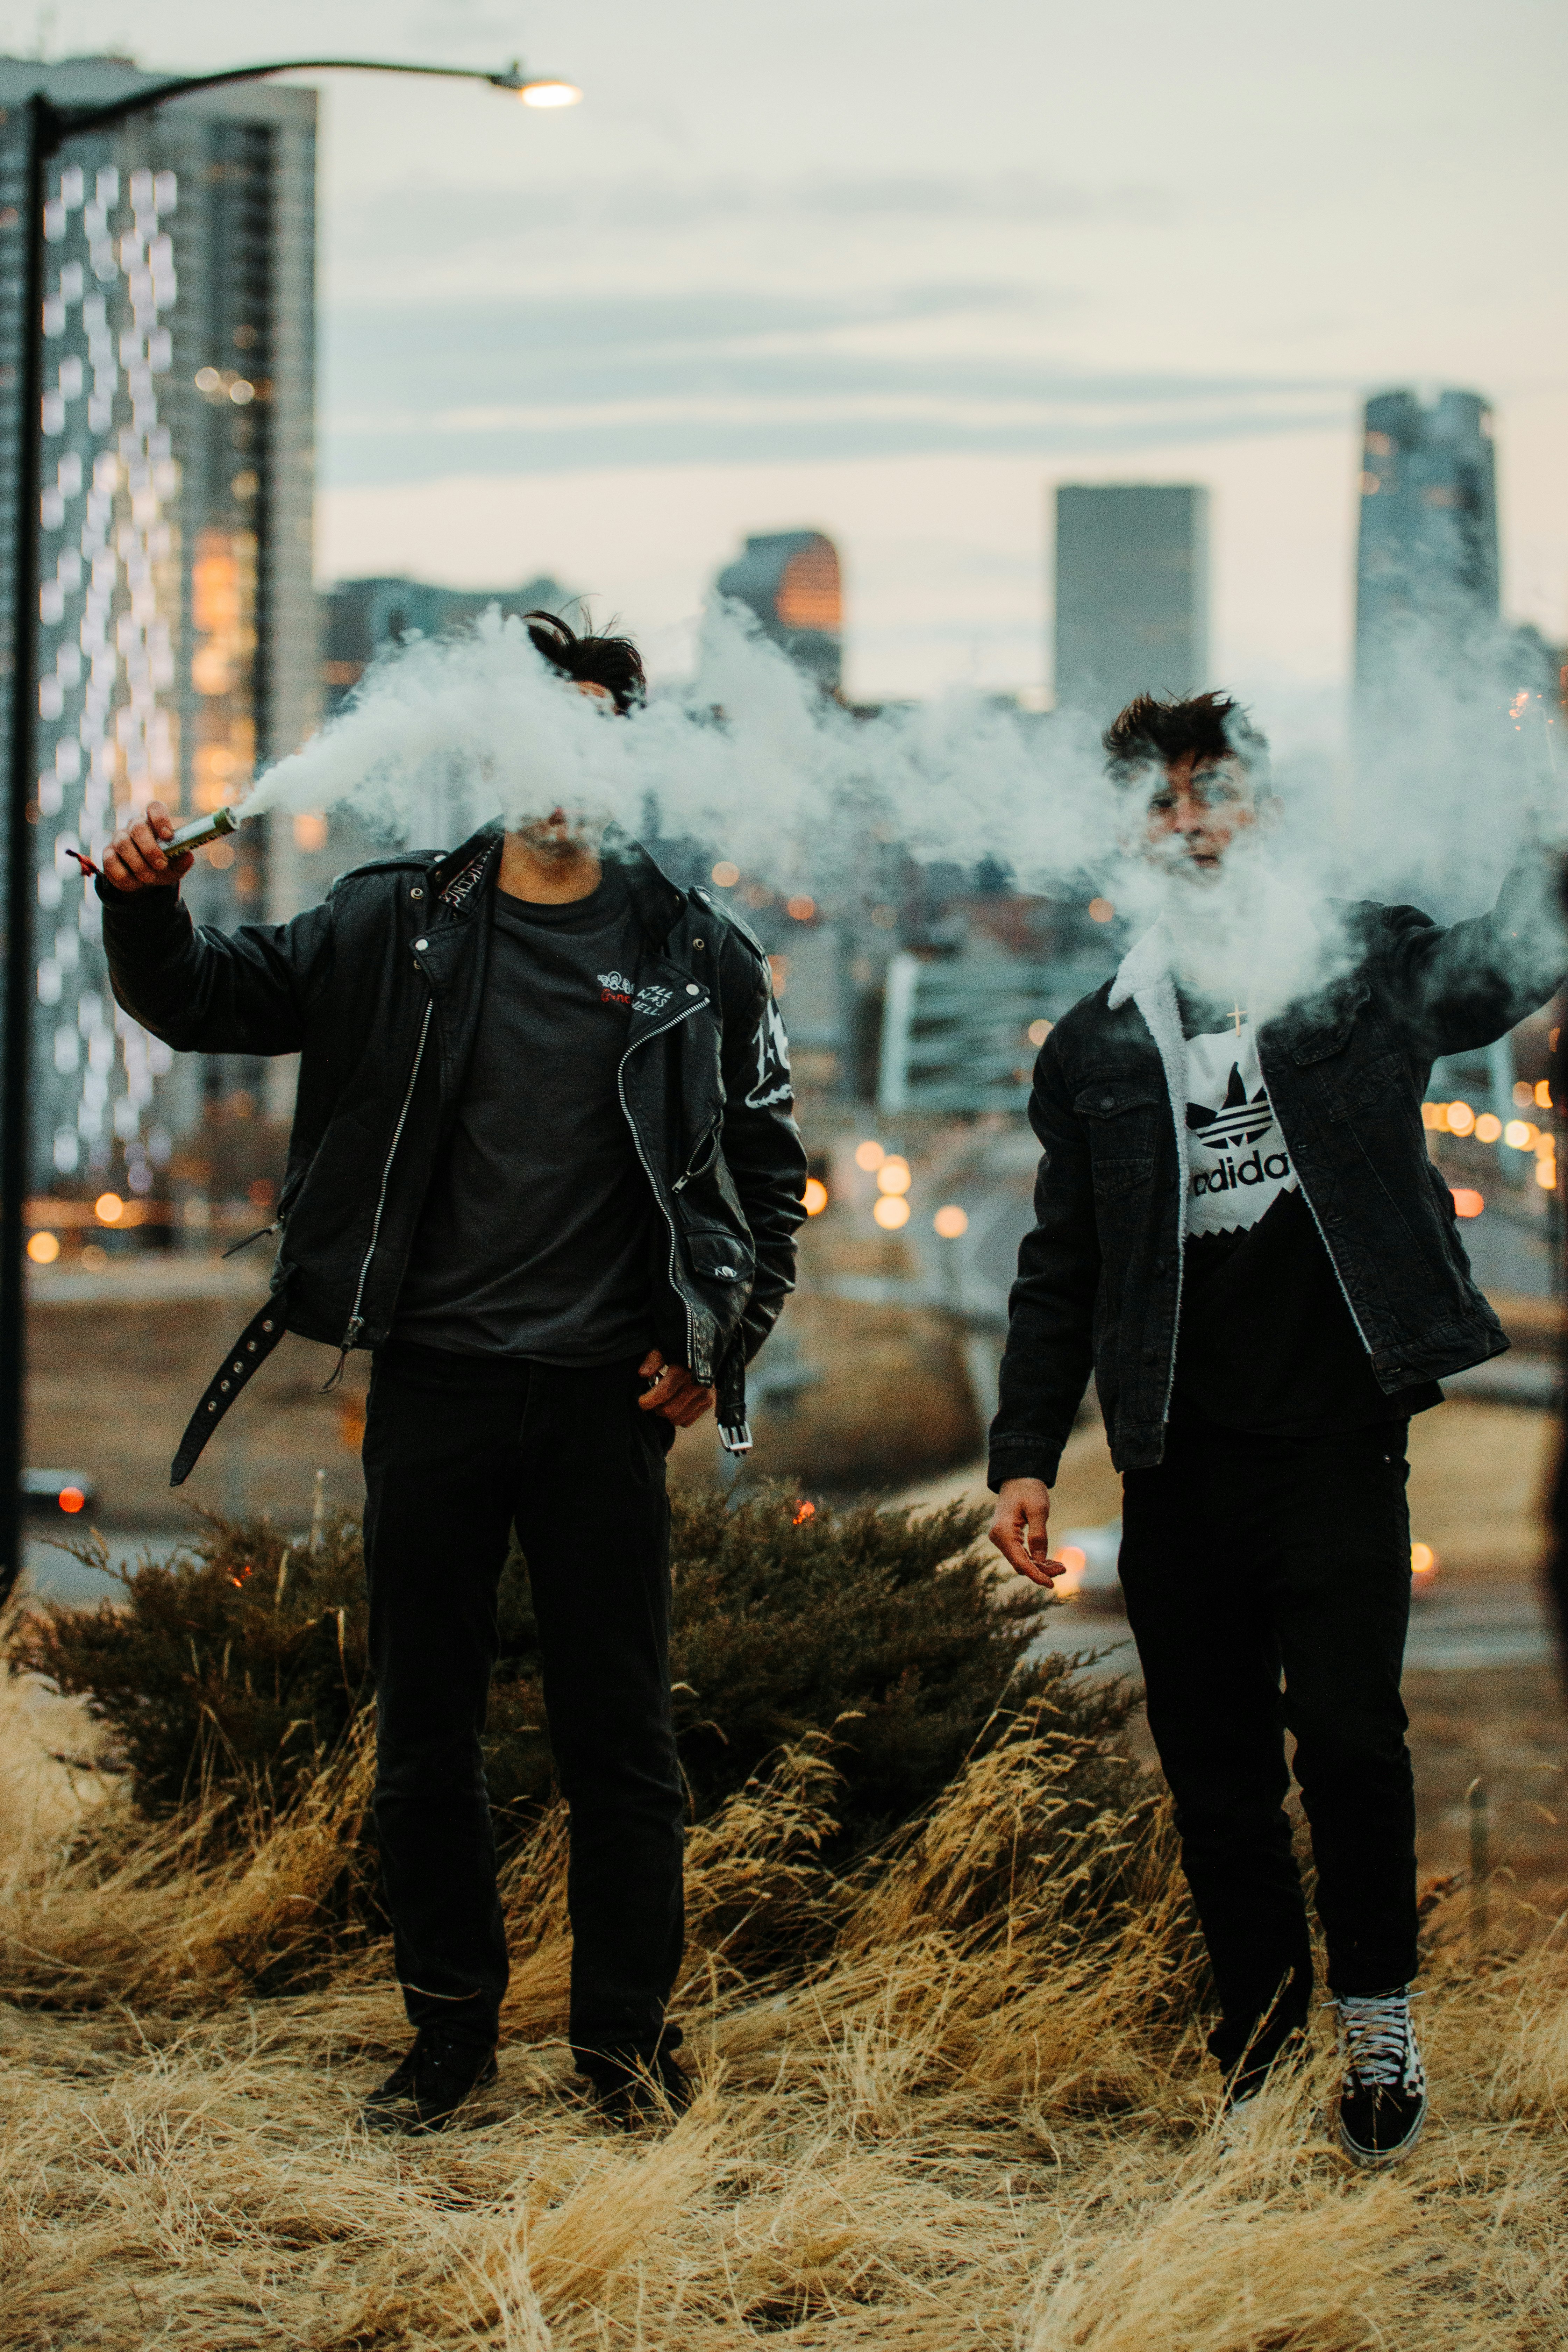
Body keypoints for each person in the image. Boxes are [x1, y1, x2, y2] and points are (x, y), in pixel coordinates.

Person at [98, 612, 807, 2131]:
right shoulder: (388, 924)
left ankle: (622, 2047)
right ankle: (446, 2044)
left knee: (618, 1741)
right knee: (424, 1733)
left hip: (604, 1402)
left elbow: (769, 1177)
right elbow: (201, 997)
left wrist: (715, 1351)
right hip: (433, 1385)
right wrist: (146, 912)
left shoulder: (701, 958)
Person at [986, 690, 1566, 2167]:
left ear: (1263, 813)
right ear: (1126, 834)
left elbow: (1509, 961)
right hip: (1175, 1451)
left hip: (1333, 1433)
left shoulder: (1358, 965)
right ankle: (1251, 2056)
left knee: (1355, 1745)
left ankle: (1375, 2020)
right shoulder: (1095, 1042)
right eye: (1158, 801)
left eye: (1211, 792)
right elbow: (1062, 1262)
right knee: (1214, 1775)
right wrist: (1021, 1454)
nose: (1186, 822)